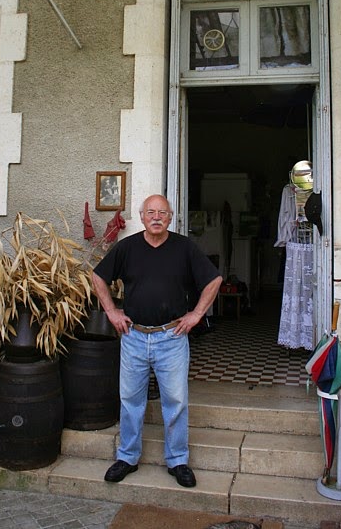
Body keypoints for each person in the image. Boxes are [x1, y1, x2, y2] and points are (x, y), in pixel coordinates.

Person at [91, 194, 222, 489]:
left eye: (162, 212)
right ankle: (127, 457)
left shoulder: (185, 248)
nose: (156, 217)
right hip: (133, 336)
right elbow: (98, 276)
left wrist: (197, 314)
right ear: (141, 216)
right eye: (150, 212)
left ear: (171, 217)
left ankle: (177, 460)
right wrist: (111, 311)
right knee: (130, 401)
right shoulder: (127, 248)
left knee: (175, 402)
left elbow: (213, 280)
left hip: (171, 337)